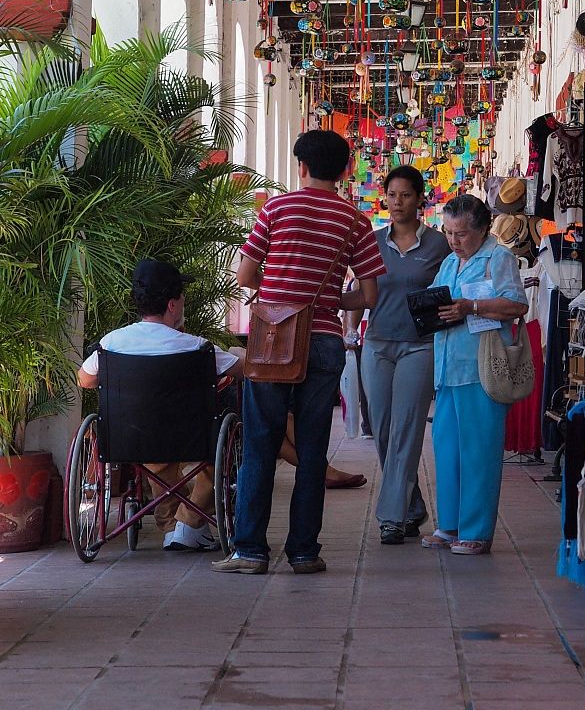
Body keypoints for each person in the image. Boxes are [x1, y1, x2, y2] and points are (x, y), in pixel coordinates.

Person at [214, 129, 385, 577]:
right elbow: (369, 295)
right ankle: (304, 551)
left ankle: (250, 550)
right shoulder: (355, 220)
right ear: (346, 169)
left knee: (260, 444)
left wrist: (281, 290)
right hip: (325, 341)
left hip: (272, 340)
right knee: (312, 451)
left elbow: (246, 276)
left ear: (301, 166)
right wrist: (329, 301)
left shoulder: (277, 208)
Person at [77, 259, 244, 553]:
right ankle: (189, 521)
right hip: (191, 441)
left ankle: (178, 527)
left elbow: (85, 380)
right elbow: (245, 370)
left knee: (157, 462)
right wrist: (236, 352)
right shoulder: (197, 348)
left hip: (129, 440)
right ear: (172, 305)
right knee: (216, 456)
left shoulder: (111, 343)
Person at [344, 165, 449, 545]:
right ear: (383, 198)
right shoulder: (371, 241)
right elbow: (361, 289)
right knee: (384, 429)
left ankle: (391, 517)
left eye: (405, 195)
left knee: (406, 427)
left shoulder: (439, 245)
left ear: (420, 198)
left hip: (420, 346)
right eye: (392, 195)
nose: (398, 202)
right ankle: (412, 504)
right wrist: (349, 329)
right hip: (377, 344)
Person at [421, 193, 527, 556]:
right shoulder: (450, 263)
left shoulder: (498, 258)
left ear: (482, 230)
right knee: (447, 448)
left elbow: (516, 304)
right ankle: (449, 525)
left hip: (482, 369)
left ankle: (477, 530)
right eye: (449, 232)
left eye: (461, 233)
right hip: (449, 368)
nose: (454, 240)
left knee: (479, 451)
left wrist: (473, 306)